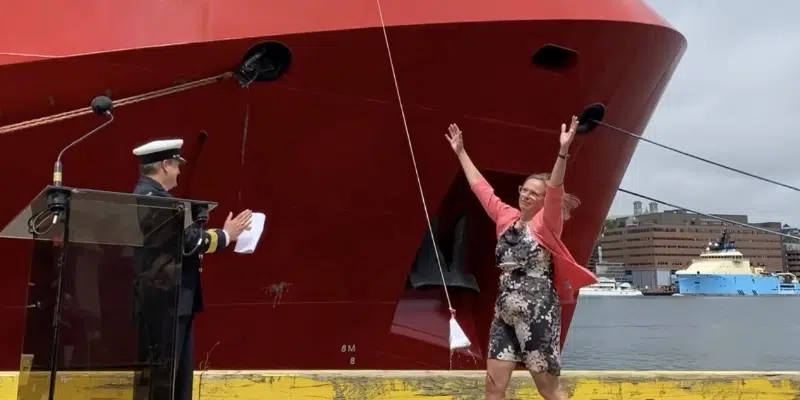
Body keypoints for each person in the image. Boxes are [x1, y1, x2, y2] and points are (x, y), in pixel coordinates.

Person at [445, 117, 593, 400]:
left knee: (547, 389)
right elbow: (481, 188)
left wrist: (563, 152)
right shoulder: (505, 218)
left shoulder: (546, 225)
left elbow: (555, 190)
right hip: (505, 311)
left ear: (542, 201)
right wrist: (461, 152)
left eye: (533, 193)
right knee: (493, 386)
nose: (526, 195)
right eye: (524, 189)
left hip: (538, 310)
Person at [131, 138, 252, 400]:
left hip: (174, 298)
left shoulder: (156, 198)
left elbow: (178, 240)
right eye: (176, 165)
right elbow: (188, 241)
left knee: (177, 377)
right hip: (166, 300)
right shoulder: (153, 199)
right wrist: (225, 235)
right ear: (165, 165)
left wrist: (203, 225)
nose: (178, 170)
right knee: (166, 376)